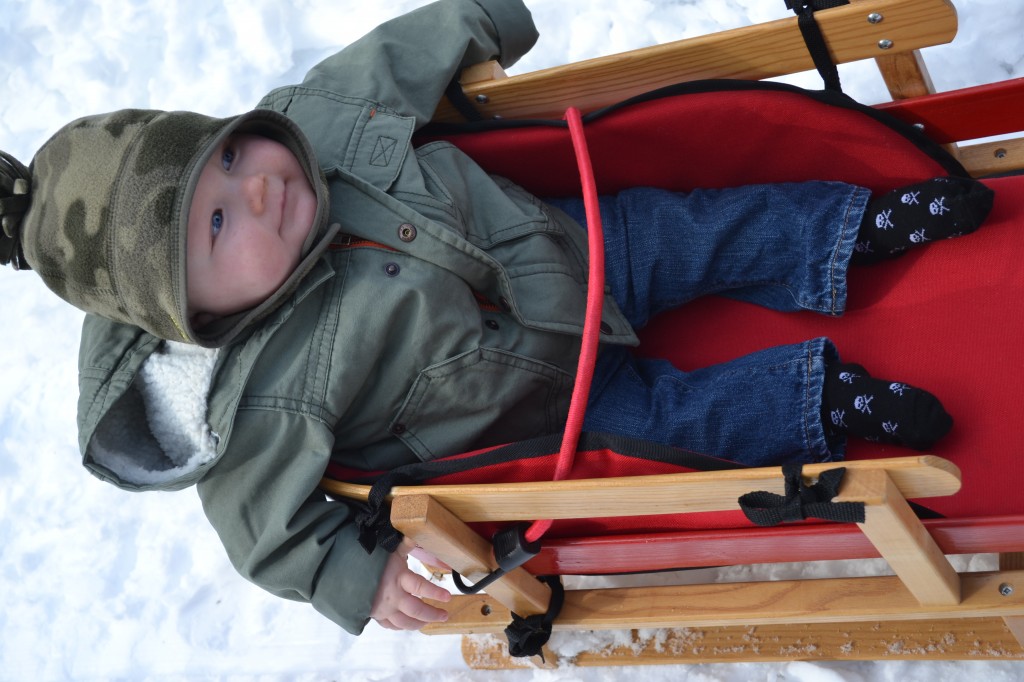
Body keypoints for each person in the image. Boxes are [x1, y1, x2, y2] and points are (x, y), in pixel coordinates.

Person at [0, 0, 993, 635]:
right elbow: (261, 531)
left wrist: (484, 20)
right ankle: (830, 403)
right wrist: (353, 580)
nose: (256, 189)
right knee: (681, 429)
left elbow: (398, 55)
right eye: (219, 223)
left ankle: (853, 225)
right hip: (547, 407)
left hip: (571, 246)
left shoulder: (318, 124)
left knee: (695, 229)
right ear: (196, 312)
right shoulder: (250, 403)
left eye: (227, 156)